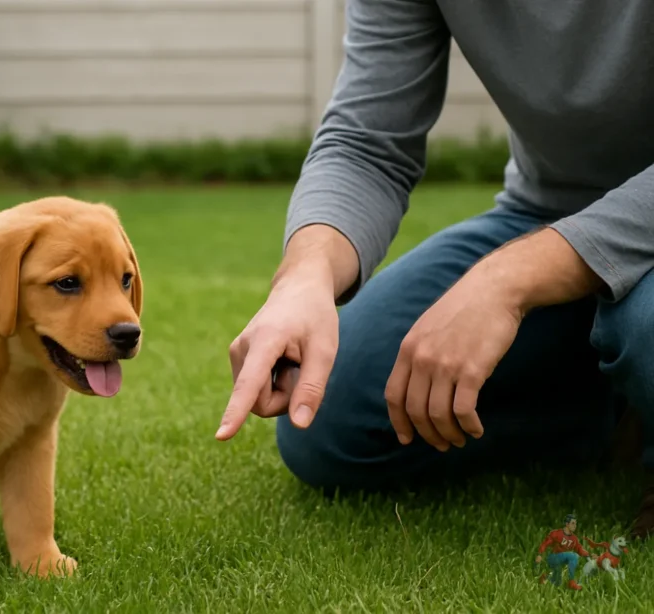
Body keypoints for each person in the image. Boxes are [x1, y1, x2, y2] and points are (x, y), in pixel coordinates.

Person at [215, 0, 654, 539]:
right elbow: (368, 143)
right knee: (330, 421)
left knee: (645, 325)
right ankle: (618, 407)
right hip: (547, 209)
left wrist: (506, 280)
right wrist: (306, 277)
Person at [536, 514, 589, 590]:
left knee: (557, 582)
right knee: (573, 556)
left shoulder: (574, 538)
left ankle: (545, 578)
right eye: (573, 523)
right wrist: (540, 554)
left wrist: (589, 555)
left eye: (576, 523)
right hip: (553, 557)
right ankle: (571, 581)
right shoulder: (556, 533)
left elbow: (579, 549)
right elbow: (545, 543)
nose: (575, 526)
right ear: (567, 524)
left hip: (562, 560)